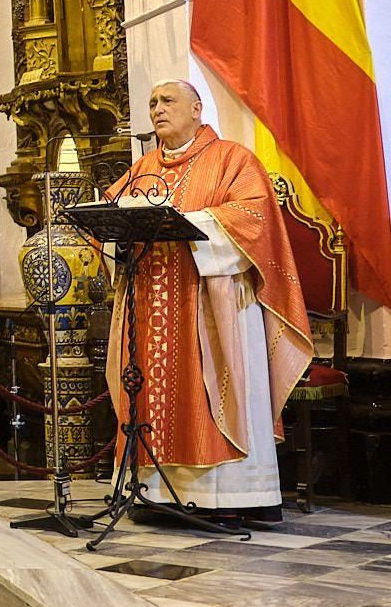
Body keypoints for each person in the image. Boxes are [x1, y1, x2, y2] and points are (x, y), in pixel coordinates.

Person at [104, 80, 311, 527]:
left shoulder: (233, 159)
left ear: (197, 108)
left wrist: (191, 223)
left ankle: (232, 495)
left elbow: (255, 216)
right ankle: (156, 493)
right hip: (152, 302)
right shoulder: (142, 168)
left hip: (215, 306)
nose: (157, 109)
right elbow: (110, 211)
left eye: (168, 101)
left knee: (214, 389)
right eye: (152, 102)